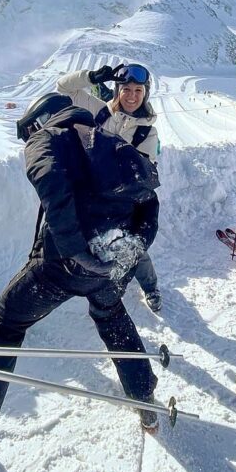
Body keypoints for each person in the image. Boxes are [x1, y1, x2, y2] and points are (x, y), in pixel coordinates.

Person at [0, 91, 160, 472]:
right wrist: (133, 247)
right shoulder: (108, 141)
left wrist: (75, 250)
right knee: (111, 315)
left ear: (38, 121)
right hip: (113, 261)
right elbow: (150, 199)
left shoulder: (48, 137)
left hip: (65, 265)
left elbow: (48, 181)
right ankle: (145, 400)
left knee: (5, 321)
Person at [57, 63, 162, 311]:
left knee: (131, 246)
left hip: (123, 201)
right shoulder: (99, 110)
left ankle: (150, 286)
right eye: (126, 89)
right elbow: (64, 89)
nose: (132, 96)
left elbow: (143, 173)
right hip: (90, 195)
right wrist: (90, 77)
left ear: (145, 93)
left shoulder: (148, 131)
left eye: (138, 90)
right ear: (117, 90)